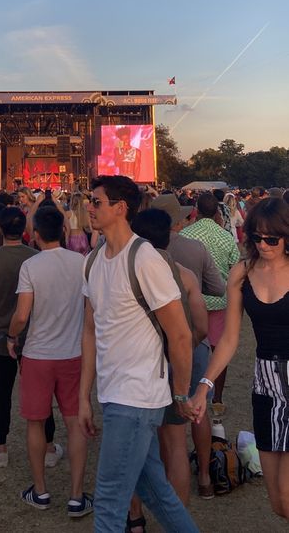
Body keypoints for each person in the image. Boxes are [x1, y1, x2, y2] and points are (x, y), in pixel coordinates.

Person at [79, 175, 199, 533]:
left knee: (109, 503)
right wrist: (84, 396)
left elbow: (180, 334)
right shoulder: (93, 260)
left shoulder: (144, 258)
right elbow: (89, 330)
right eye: (89, 200)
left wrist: (180, 392)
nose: (89, 207)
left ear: (121, 208)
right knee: (156, 492)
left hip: (138, 394)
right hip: (115, 393)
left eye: (96, 201)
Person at [191, 197, 289, 520]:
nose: (263, 245)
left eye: (271, 238)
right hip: (265, 387)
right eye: (256, 238)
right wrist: (205, 386)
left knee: (288, 494)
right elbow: (230, 338)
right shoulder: (241, 273)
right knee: (277, 502)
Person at [8, 206, 93, 517]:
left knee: (35, 421)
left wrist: (10, 336)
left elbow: (21, 315)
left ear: (37, 234)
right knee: (75, 422)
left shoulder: (31, 266)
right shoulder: (81, 263)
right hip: (74, 354)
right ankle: (76, 495)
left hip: (38, 355)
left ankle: (41, 491)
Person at [127, 209, 208, 528]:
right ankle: (177, 519)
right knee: (175, 443)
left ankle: (134, 518)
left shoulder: (128, 271)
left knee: (136, 447)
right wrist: (181, 347)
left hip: (139, 369)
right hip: (175, 367)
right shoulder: (184, 273)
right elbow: (200, 327)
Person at [0, 207, 60, 468]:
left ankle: (1, 447)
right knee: (42, 391)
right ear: (25, 230)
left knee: (1, 390)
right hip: (33, 333)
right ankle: (50, 446)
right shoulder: (35, 257)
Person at [151, 192, 226, 503]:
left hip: (156, 345)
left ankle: (165, 482)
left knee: (165, 424)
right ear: (178, 221)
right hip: (194, 339)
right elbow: (218, 288)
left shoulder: (141, 252)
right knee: (198, 409)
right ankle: (206, 478)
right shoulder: (195, 248)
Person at [180, 192, 240, 412]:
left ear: (196, 209)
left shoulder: (185, 234)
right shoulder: (225, 237)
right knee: (219, 350)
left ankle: (184, 391)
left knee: (189, 348)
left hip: (191, 303)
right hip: (219, 302)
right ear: (217, 211)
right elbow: (235, 268)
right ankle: (217, 398)